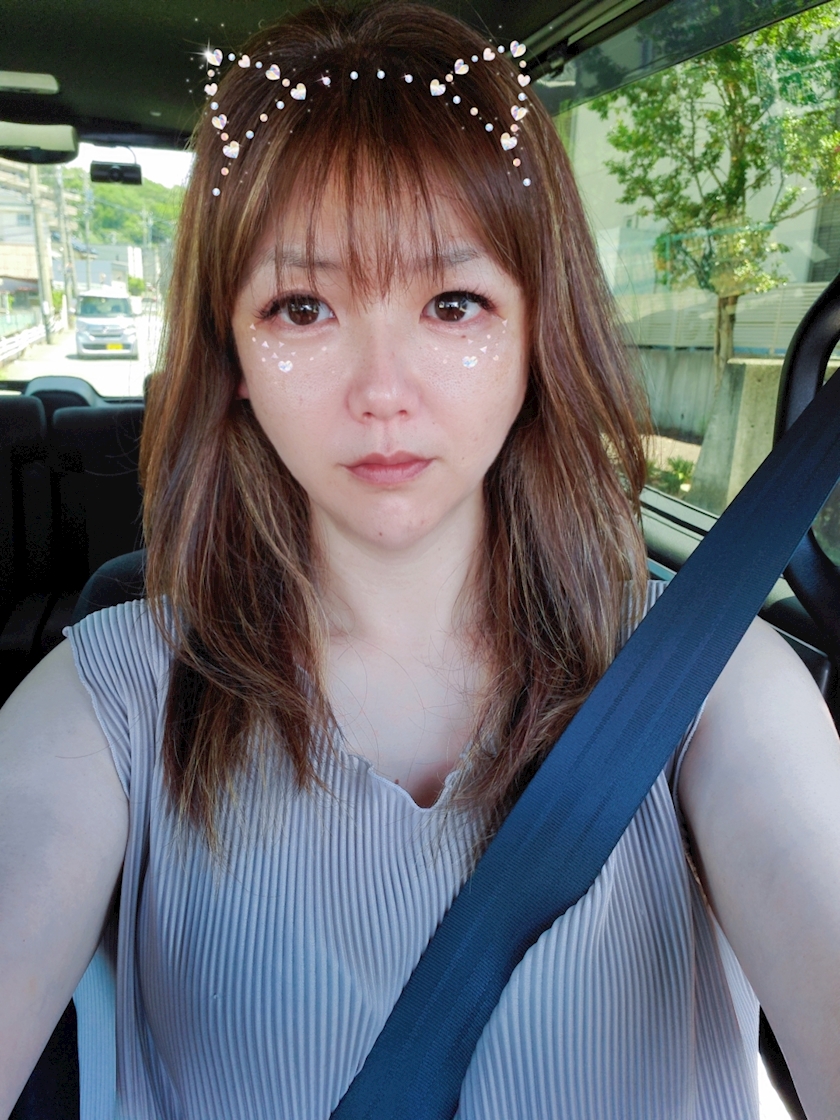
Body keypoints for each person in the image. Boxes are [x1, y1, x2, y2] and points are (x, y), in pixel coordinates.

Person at [2, 3, 839, 1118]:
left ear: (537, 332)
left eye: (454, 303)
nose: (382, 390)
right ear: (232, 352)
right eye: (302, 307)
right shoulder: (105, 704)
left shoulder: (716, 690)